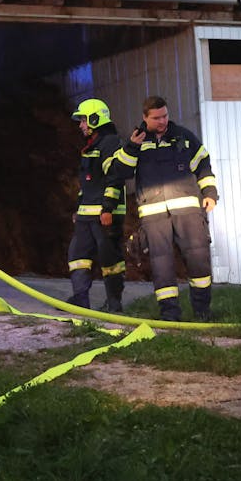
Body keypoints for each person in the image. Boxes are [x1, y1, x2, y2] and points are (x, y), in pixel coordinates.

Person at [110, 95, 218, 321]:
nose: (162, 121)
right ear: (145, 118)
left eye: (165, 116)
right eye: (156, 118)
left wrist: (209, 194)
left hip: (188, 211)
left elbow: (203, 165)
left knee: (198, 260)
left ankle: (202, 313)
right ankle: (170, 315)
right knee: (161, 266)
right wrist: (131, 147)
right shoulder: (136, 142)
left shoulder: (184, 137)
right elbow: (120, 172)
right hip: (154, 214)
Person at [66, 98, 128, 312]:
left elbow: (114, 177)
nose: (81, 125)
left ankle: (114, 304)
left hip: (104, 214)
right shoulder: (91, 146)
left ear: (95, 118)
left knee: (110, 260)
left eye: (83, 120)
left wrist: (108, 208)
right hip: (86, 215)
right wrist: (78, 207)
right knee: (77, 256)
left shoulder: (110, 142)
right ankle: (81, 299)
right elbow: (88, 182)